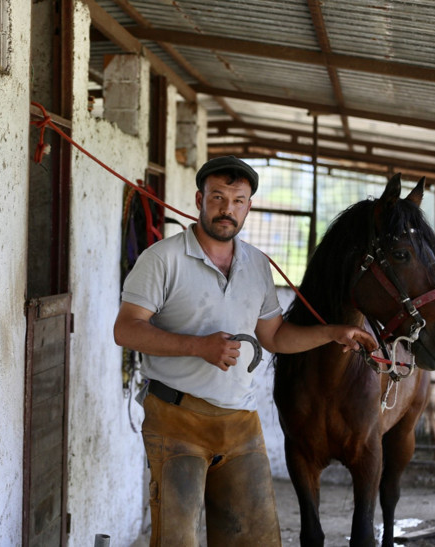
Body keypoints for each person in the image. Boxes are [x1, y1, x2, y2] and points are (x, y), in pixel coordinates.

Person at [113, 155, 377, 546]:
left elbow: (275, 337)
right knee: (176, 538)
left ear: (249, 206)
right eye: (218, 197)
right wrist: (198, 346)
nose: (227, 209)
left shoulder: (256, 264)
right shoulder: (162, 259)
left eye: (238, 200)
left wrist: (333, 332)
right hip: (175, 418)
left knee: (254, 539)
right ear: (200, 198)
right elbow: (126, 329)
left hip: (240, 422)